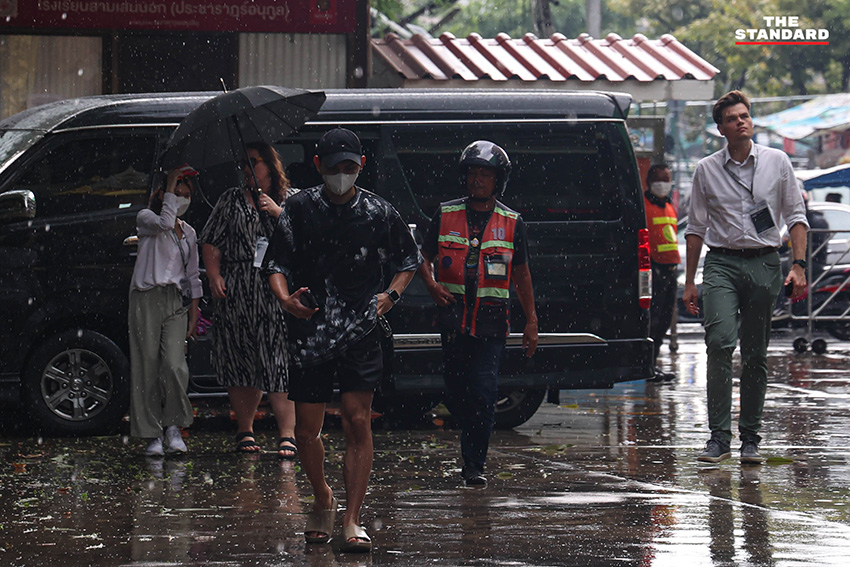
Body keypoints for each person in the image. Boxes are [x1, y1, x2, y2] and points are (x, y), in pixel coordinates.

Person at [266, 128, 421, 552]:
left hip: (361, 330)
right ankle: (322, 497)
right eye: (334, 168)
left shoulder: (377, 211)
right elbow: (275, 264)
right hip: (311, 331)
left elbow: (409, 259)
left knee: (357, 419)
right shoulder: (298, 209)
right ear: (318, 166)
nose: (341, 175)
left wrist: (390, 295)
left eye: (349, 168)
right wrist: (286, 300)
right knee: (307, 430)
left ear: (361, 167)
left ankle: (352, 518)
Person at [683, 90, 808, 464]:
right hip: (721, 263)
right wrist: (690, 281)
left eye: (745, 115)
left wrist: (799, 266)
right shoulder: (706, 169)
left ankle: (750, 437)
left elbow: (796, 217)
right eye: (733, 118)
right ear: (721, 128)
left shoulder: (777, 161)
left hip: (765, 262)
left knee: (756, 354)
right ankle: (718, 438)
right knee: (720, 342)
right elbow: (695, 229)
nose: (742, 121)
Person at [417, 140, 539, 486]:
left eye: (485, 174)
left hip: (491, 324)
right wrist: (431, 285)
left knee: (484, 395)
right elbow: (419, 257)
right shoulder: (445, 215)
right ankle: (468, 440)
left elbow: (522, 275)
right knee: (457, 393)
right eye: (473, 173)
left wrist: (531, 321)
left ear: (498, 180)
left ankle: (474, 466)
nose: (477, 180)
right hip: (453, 321)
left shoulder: (513, 223)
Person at [200, 142, 298, 459]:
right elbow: (211, 239)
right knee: (241, 359)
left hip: (278, 288)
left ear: (270, 165)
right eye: (243, 163)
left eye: (253, 162)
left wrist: (279, 213)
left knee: (278, 360)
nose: (247, 168)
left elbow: (309, 237)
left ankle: (287, 433)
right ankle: (246, 429)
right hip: (239, 286)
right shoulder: (230, 199)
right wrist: (214, 275)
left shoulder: (292, 200)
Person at [129, 166, 202, 456]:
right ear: (162, 195)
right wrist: (169, 182)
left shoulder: (189, 233)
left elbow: (193, 274)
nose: (180, 199)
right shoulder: (147, 220)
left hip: (174, 300)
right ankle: (151, 432)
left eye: (186, 195)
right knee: (146, 365)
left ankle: (174, 425)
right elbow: (163, 223)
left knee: (174, 364)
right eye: (176, 193)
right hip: (146, 297)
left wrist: (195, 312)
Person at [643, 163, 680, 382]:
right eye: (659, 179)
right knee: (653, 320)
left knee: (664, 320)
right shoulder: (643, 206)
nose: (663, 184)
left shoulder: (669, 206)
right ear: (649, 181)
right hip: (653, 270)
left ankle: (653, 364)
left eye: (667, 179)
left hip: (670, 268)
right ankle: (647, 366)